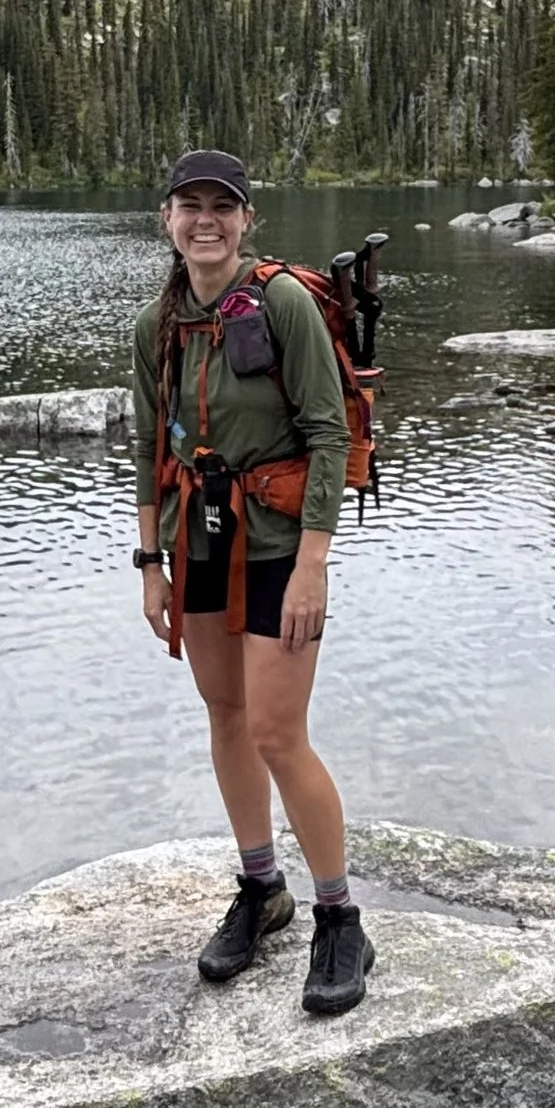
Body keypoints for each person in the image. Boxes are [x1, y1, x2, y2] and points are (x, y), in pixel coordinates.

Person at [131, 149, 372, 1016]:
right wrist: (150, 562)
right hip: (197, 541)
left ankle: (339, 918)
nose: (206, 221)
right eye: (190, 205)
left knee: (276, 731)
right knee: (226, 715)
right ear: (167, 219)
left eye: (222, 207)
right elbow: (147, 447)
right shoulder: (157, 324)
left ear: (246, 220)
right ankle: (262, 888)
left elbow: (328, 435)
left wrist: (314, 564)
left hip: (277, 545)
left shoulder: (283, 304)